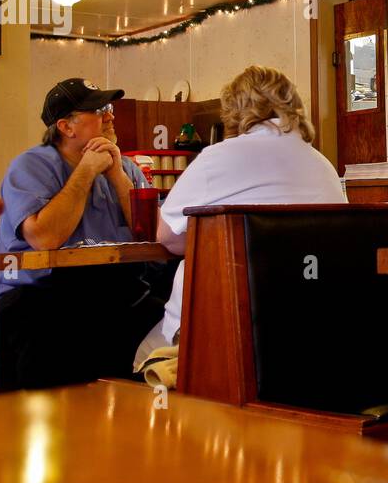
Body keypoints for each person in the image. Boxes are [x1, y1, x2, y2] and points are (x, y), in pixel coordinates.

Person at [135, 66, 345, 378]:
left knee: (141, 355)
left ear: (236, 109)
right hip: (309, 326)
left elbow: (167, 238)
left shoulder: (217, 157)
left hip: (221, 327)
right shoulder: (323, 164)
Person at [0, 78, 169, 390]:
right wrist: (86, 171)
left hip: (114, 294)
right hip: (42, 296)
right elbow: (45, 238)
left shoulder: (125, 167)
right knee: (51, 337)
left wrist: (116, 175)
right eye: (99, 110)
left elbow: (153, 235)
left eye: (110, 108)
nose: (110, 116)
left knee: (170, 324)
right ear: (66, 126)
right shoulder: (31, 166)